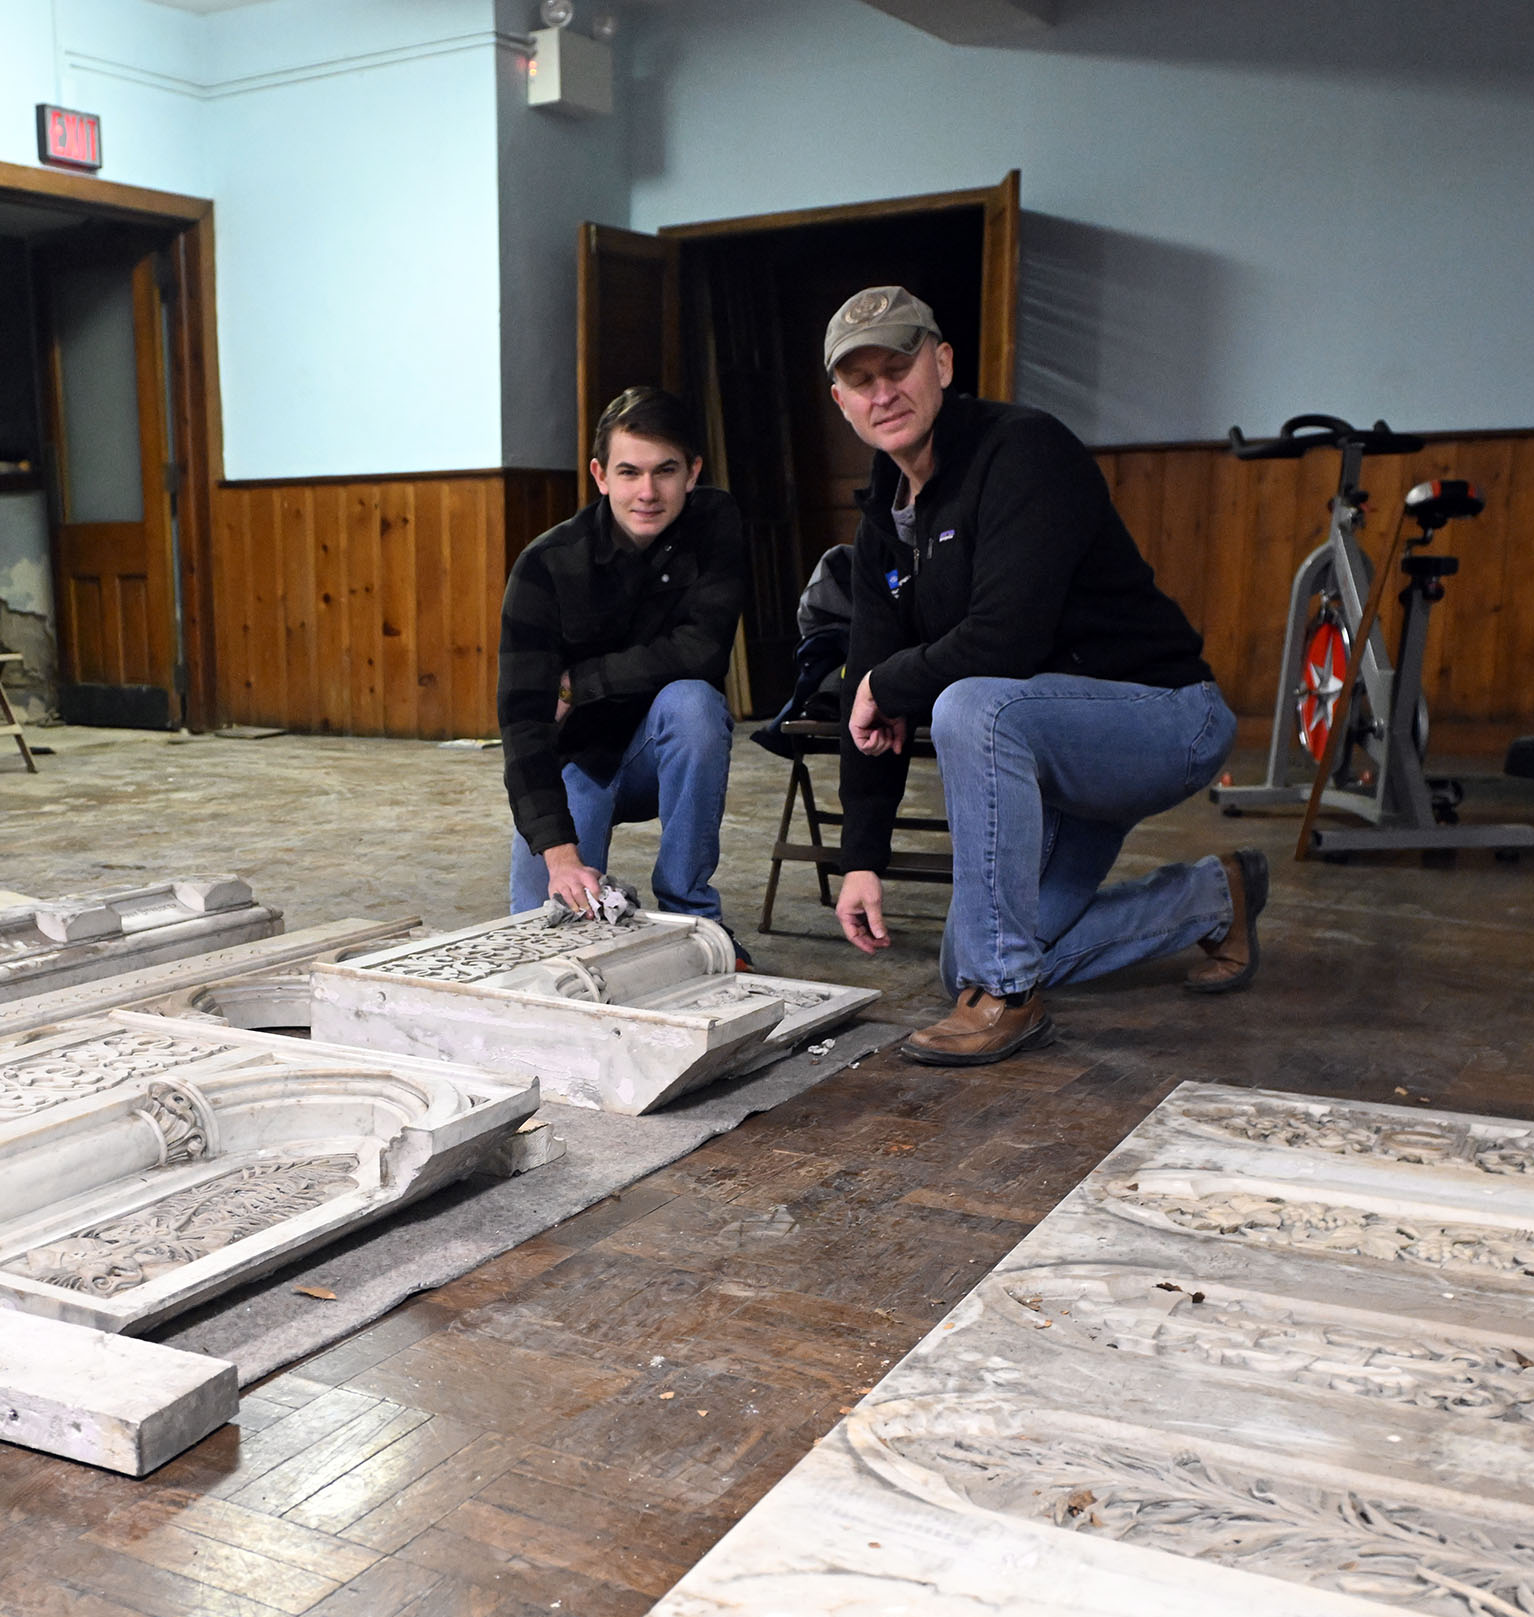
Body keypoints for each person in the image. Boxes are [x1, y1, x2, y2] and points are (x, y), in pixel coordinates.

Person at [819, 286, 1265, 1066]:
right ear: (842, 403)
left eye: (900, 366)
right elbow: (869, 691)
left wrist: (889, 684)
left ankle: (1009, 1002)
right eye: (862, 381)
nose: (883, 392)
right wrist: (862, 858)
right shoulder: (882, 518)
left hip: (1162, 716)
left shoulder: (1023, 449)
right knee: (969, 960)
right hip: (1053, 744)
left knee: (971, 707)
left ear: (944, 362)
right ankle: (1207, 900)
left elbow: (1005, 639)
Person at [498, 385, 748, 953]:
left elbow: (702, 652)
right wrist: (560, 857)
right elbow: (523, 725)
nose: (648, 492)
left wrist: (581, 682)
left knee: (696, 704)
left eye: (666, 471)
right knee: (542, 933)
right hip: (578, 760)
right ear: (600, 475)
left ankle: (697, 921)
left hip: (659, 752)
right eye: (629, 472)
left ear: (693, 472)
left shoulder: (714, 522)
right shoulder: (545, 565)